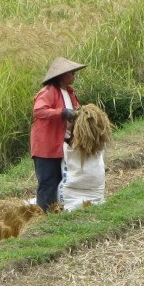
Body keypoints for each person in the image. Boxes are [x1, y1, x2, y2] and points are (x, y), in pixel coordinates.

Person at [31, 56, 83, 211]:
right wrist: (62, 112)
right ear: (62, 75)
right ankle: (43, 216)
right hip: (46, 145)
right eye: (71, 73)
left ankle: (53, 212)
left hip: (62, 144)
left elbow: (77, 110)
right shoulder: (48, 92)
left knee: (59, 179)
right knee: (48, 181)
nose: (73, 76)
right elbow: (39, 111)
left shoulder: (70, 92)